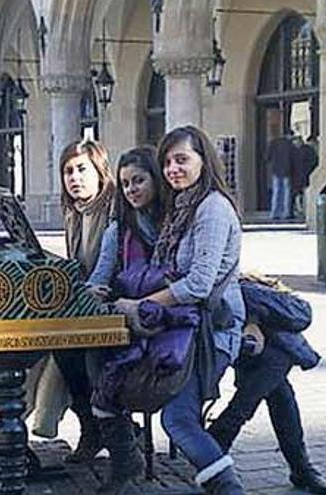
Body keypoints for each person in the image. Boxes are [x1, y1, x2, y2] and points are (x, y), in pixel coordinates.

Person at [113, 126, 246, 494]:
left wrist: (141, 304)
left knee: (178, 420)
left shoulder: (212, 209)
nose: (173, 169)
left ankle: (229, 488)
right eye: (168, 162)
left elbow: (199, 284)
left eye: (182, 160)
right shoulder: (180, 208)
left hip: (212, 331)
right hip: (184, 327)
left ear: (204, 161)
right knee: (174, 415)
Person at [84, 147, 166, 493]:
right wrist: (97, 290)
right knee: (86, 356)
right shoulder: (118, 228)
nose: (132, 190)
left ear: (155, 180)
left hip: (167, 320)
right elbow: (100, 275)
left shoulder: (173, 223)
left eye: (139, 181)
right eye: (126, 184)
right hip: (126, 316)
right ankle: (123, 456)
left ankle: (122, 451)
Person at [208, 274, 326, 494]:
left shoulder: (250, 288)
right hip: (232, 335)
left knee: (277, 384)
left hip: (258, 346)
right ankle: (301, 467)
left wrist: (254, 320)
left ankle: (218, 439)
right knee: (279, 380)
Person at [50, 138, 116, 464]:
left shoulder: (113, 209)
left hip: (115, 301)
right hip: (86, 299)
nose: (74, 177)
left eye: (81, 169)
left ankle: (96, 425)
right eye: (68, 171)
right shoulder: (74, 212)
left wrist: (89, 290)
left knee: (66, 345)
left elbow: (106, 266)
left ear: (100, 172)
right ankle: (93, 422)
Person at [266, 130, 298, 220]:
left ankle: (274, 213)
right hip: (287, 171)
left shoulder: (273, 143)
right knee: (287, 192)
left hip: (276, 170)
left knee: (276, 192)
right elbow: (294, 158)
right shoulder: (290, 145)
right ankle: (286, 213)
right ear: (289, 135)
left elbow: (268, 157)